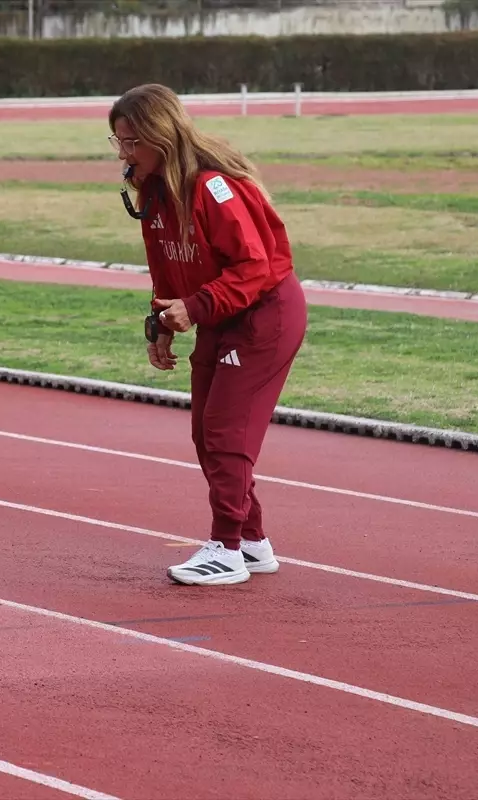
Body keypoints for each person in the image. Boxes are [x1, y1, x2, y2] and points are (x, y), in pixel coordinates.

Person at [109, 83, 308, 587]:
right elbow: (167, 269)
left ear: (160, 135)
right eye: (117, 142)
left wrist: (195, 308)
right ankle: (253, 541)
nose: (124, 153)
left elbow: (255, 265)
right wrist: (159, 322)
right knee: (205, 432)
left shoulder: (214, 187)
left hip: (264, 314)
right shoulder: (154, 195)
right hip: (221, 315)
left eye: (132, 141)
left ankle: (227, 548)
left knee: (225, 431)